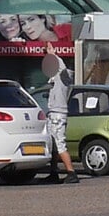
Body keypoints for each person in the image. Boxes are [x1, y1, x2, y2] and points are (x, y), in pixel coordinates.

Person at [42, 49, 79, 184]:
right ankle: (54, 172)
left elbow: (61, 66)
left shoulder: (63, 76)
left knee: (59, 143)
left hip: (58, 114)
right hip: (53, 113)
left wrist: (53, 54)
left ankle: (71, 172)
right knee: (53, 145)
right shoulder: (55, 78)